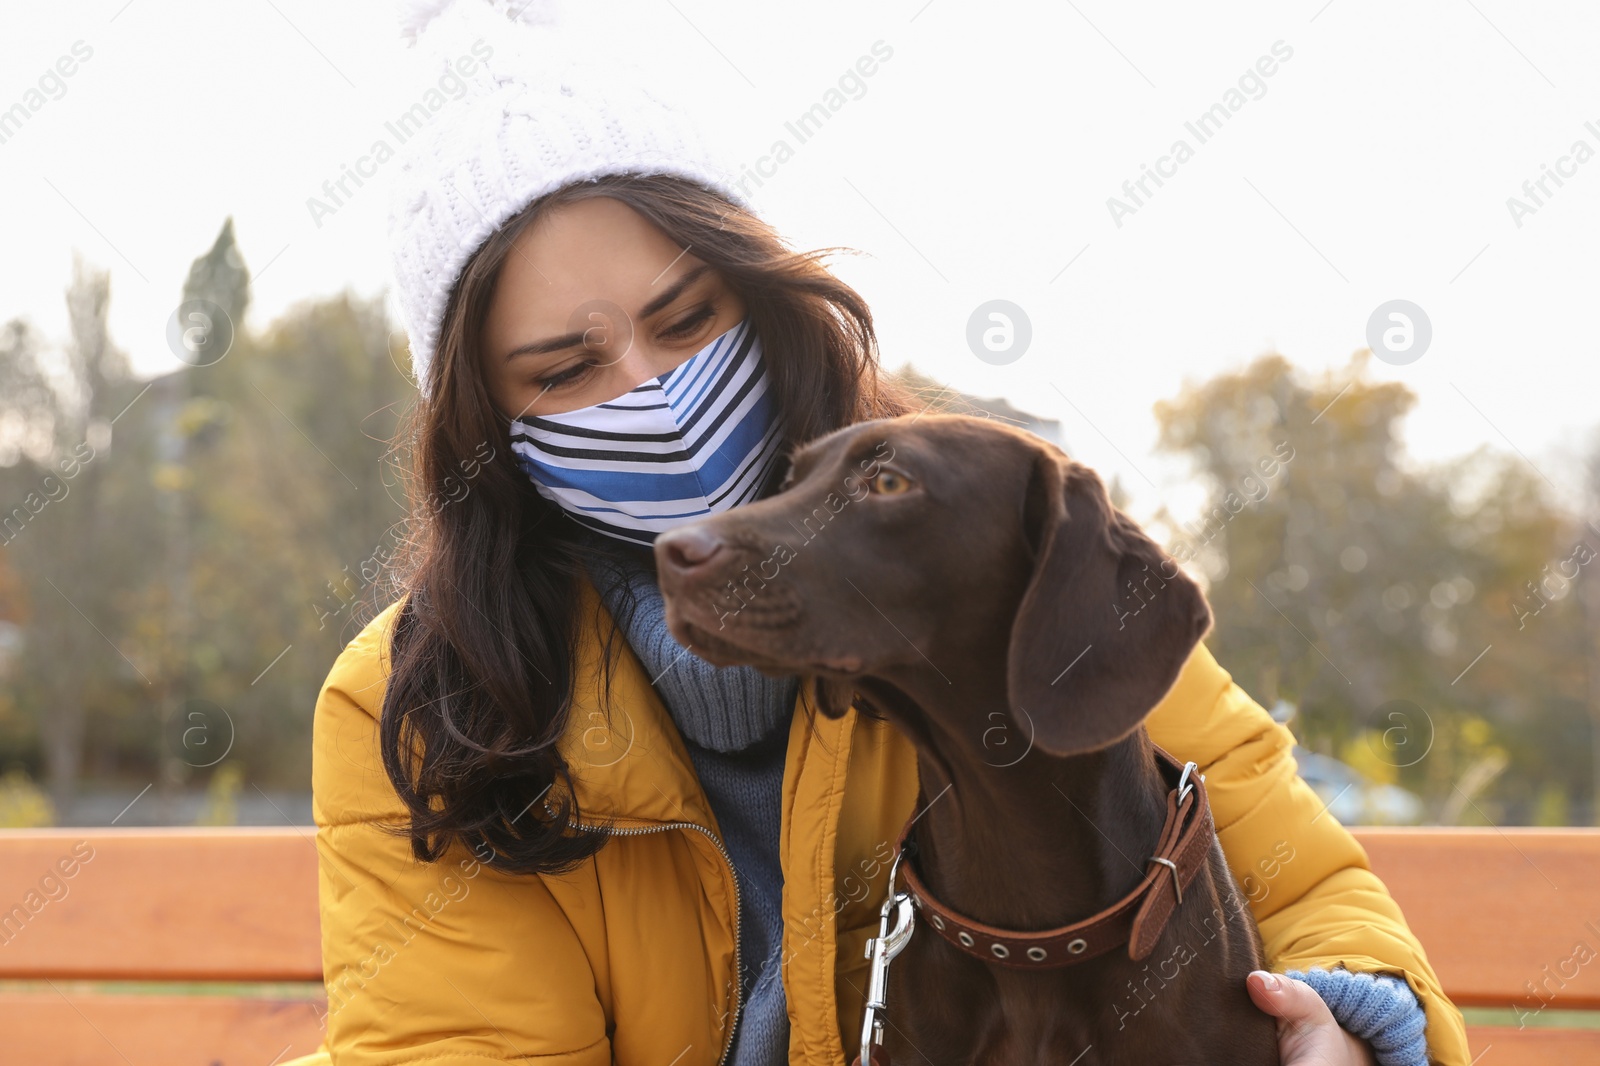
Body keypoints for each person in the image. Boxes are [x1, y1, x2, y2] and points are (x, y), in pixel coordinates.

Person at [283, 3, 1469, 1064]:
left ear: (762, 295)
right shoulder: (421, 703)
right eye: (566, 368)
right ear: (486, 422)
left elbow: (1303, 881)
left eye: (685, 318)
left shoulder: (997, 555)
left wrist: (1348, 1022)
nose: (651, 392)